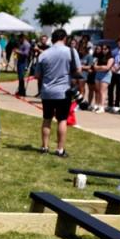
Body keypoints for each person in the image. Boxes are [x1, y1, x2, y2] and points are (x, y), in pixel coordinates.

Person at [36, 28, 78, 158]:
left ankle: (44, 147)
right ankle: (60, 149)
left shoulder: (44, 54)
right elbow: (78, 70)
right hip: (63, 91)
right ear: (64, 38)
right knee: (62, 119)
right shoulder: (70, 51)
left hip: (47, 91)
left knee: (47, 119)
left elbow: (37, 75)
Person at [92, 42, 114, 113]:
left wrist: (100, 67)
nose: (104, 50)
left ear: (108, 49)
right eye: (103, 49)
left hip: (106, 75)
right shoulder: (99, 56)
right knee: (98, 91)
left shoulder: (111, 58)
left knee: (102, 91)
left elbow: (107, 67)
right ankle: (98, 105)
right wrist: (101, 67)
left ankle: (102, 107)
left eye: (105, 49)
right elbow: (95, 67)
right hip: (98, 74)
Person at [107, 35, 120, 111]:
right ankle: (110, 104)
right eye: (118, 42)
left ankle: (117, 105)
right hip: (113, 71)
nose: (119, 43)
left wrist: (119, 67)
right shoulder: (114, 50)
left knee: (118, 89)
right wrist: (112, 68)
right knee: (110, 88)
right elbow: (111, 60)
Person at [15, 33, 31, 97]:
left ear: (22, 38)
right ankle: (20, 90)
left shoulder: (26, 44)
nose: (19, 40)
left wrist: (18, 51)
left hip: (23, 62)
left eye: (19, 39)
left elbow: (26, 53)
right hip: (20, 61)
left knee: (21, 77)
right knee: (19, 77)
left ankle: (22, 91)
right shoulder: (21, 44)